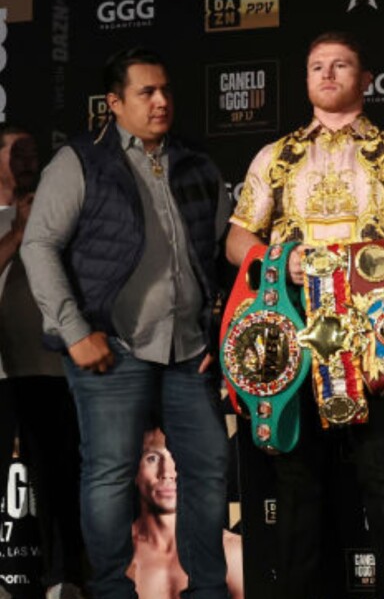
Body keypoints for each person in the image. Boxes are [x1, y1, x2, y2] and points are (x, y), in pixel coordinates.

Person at [225, 30, 384, 599]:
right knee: (299, 484)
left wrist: (371, 265)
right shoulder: (274, 157)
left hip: (379, 334)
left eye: (341, 65)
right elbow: (236, 240)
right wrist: (282, 258)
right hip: (296, 335)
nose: (327, 74)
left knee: (382, 478)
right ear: (305, 80)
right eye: (317, 66)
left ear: (364, 79)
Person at [21, 47, 231, 599]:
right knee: (110, 475)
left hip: (189, 350)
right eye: (146, 92)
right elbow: (38, 245)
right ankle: (112, 592)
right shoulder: (80, 161)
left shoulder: (195, 160)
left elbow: (222, 250)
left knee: (209, 471)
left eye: (165, 90)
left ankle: (208, 591)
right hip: (111, 347)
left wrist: (219, 332)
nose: (161, 101)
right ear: (114, 103)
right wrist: (73, 330)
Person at [0, 126, 86, 599]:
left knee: (58, 479)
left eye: (34, 152)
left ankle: (64, 580)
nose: (28, 161)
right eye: (17, 152)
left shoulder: (55, 212)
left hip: (49, 368)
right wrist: (18, 230)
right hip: (1, 372)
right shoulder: (12, 219)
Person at [127, 427, 243, 599]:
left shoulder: (232, 552)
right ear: (134, 471)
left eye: (177, 458)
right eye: (152, 458)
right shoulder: (118, 555)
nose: (167, 473)